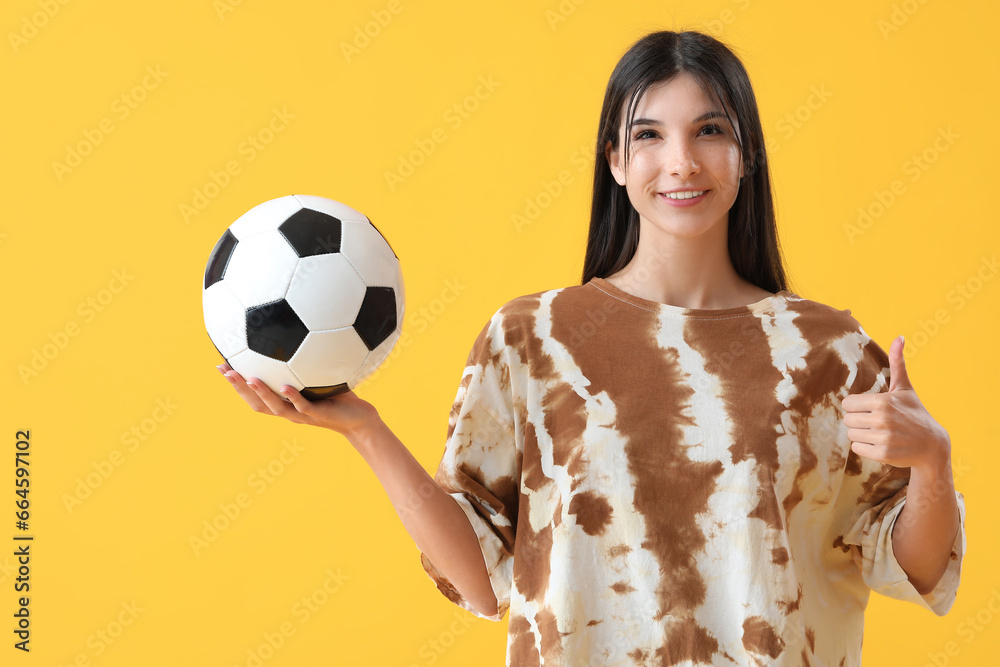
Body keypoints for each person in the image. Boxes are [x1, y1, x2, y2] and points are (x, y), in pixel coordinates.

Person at [217, 29, 966, 667]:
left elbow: (914, 565)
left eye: (710, 130)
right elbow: (481, 579)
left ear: (747, 157)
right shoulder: (532, 337)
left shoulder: (827, 349)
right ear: (615, 160)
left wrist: (931, 462)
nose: (681, 161)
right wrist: (364, 429)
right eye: (649, 135)